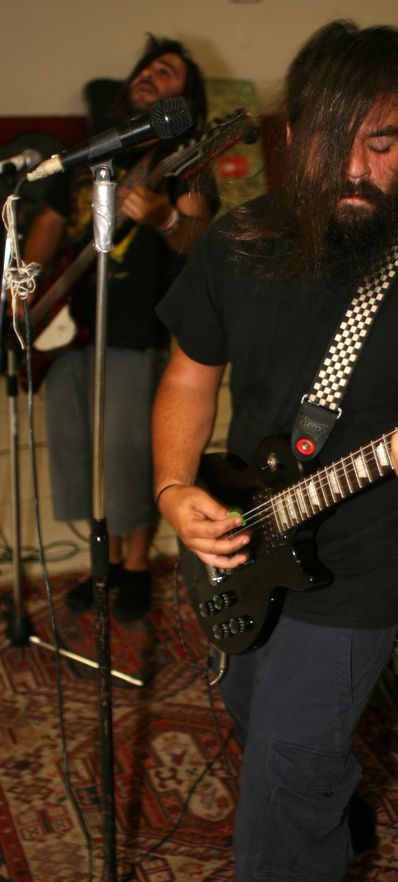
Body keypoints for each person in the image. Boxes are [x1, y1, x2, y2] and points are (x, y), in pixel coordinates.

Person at [152, 20, 398, 882]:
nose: (354, 167)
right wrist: (170, 487)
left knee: (280, 805)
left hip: (354, 584)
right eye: (330, 139)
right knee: (262, 729)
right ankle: (333, 808)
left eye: (380, 142)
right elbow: (189, 377)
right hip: (247, 537)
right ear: (291, 134)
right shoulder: (237, 241)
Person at [24, 35, 219, 621]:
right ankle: (100, 565)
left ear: (185, 99)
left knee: (129, 457)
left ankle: (134, 568)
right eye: (146, 68)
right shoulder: (92, 150)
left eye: (167, 72)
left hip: (137, 332)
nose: (149, 75)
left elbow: (197, 239)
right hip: (69, 332)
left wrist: (163, 216)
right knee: (80, 455)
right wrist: (23, 286)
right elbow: (52, 220)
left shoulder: (186, 158)